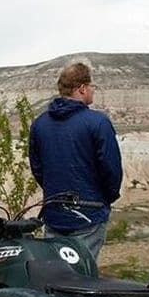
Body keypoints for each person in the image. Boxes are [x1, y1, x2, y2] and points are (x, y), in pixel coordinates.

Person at [29, 62, 122, 260]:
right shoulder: (98, 122)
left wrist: (55, 193)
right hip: (90, 213)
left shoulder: (40, 124)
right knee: (84, 277)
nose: (93, 90)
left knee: (57, 274)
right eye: (91, 86)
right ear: (81, 88)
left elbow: (37, 168)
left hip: (54, 213)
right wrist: (105, 199)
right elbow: (111, 170)